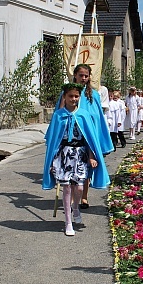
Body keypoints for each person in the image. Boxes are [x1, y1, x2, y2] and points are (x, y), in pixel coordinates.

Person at [43, 83, 110, 236]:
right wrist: (51, 162)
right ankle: (68, 222)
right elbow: (53, 140)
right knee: (66, 188)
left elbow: (89, 138)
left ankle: (76, 208)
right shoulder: (58, 115)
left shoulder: (84, 114)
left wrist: (92, 156)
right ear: (64, 97)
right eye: (70, 96)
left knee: (79, 187)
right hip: (63, 155)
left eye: (76, 96)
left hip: (80, 155)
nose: (73, 99)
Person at [57, 64, 114, 209]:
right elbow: (59, 113)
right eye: (81, 75)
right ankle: (70, 198)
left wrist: (95, 131)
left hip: (88, 134)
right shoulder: (67, 92)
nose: (83, 78)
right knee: (68, 167)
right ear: (75, 75)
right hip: (71, 134)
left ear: (89, 77)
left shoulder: (93, 94)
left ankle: (84, 197)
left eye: (86, 76)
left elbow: (97, 116)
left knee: (86, 167)